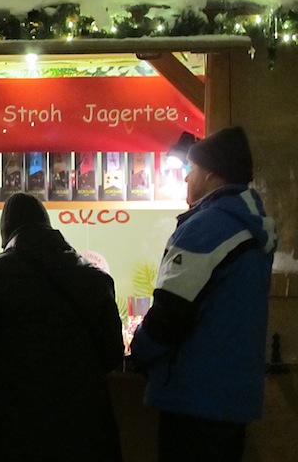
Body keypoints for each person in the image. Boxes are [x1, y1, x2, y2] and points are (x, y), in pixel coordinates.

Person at [131, 126, 277, 462]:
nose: (185, 180)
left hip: (194, 398)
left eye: (190, 170)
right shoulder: (250, 224)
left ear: (210, 173)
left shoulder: (207, 228)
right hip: (231, 398)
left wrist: (140, 350)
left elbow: (171, 311)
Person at [0, 192, 124, 462]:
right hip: (83, 425)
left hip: (9, 429)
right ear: (48, 223)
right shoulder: (94, 280)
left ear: (5, 231)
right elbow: (113, 354)